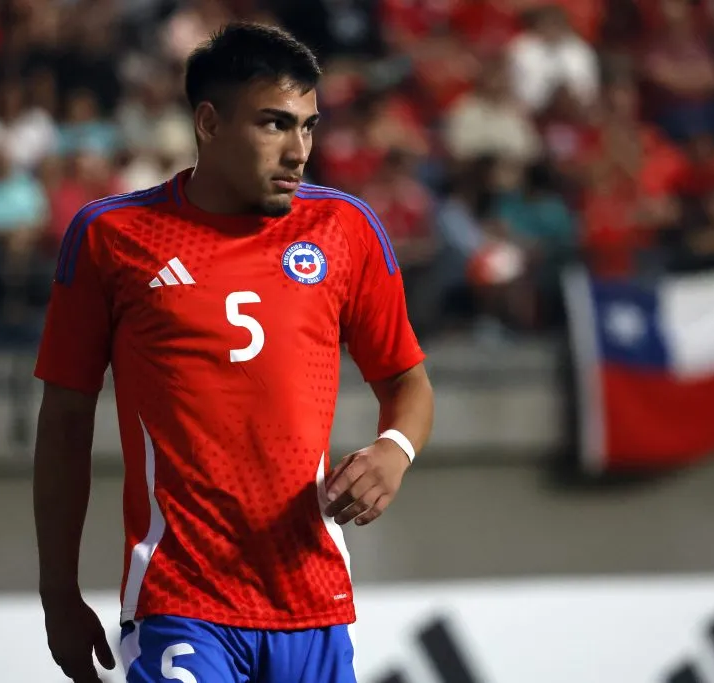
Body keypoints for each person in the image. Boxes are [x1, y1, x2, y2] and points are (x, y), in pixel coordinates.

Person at [32, 22, 434, 683]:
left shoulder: (346, 229)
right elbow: (65, 421)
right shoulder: (112, 237)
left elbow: (408, 382)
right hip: (180, 601)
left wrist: (396, 450)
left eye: (308, 125)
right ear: (210, 123)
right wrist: (57, 591)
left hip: (313, 603)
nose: (299, 150)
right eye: (275, 124)